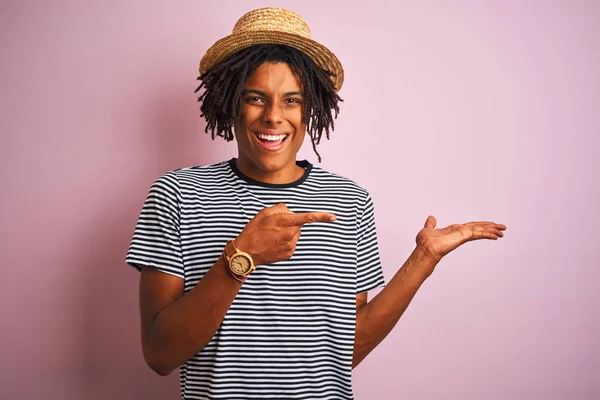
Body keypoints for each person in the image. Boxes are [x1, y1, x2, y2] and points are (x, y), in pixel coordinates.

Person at [126, 7, 506, 400]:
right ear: (229, 103)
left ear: (311, 109)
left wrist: (422, 260)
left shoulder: (349, 201)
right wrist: (240, 259)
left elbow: (342, 354)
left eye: (292, 100)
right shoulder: (178, 194)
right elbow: (160, 354)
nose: (274, 116)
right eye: (256, 98)